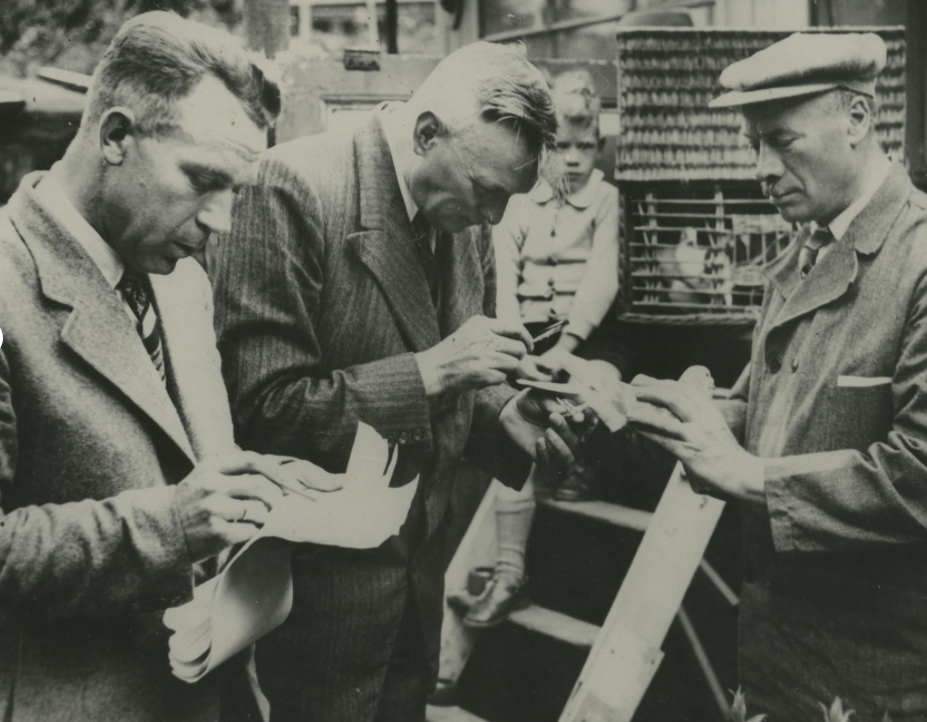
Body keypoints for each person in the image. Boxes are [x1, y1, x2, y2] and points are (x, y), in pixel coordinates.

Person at [212, 40, 588, 722]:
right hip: (311, 607)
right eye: (486, 192)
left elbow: (457, 388)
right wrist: (436, 370)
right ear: (425, 134)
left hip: (415, 586)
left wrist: (508, 414)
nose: (495, 219)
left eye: (509, 198)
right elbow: (263, 410)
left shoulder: (463, 212)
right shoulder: (291, 187)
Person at [0, 12, 338, 722]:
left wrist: (257, 487)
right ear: (115, 136)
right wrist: (174, 524)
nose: (220, 221)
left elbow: (177, 458)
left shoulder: (179, 280)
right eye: (202, 179)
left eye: (235, 191)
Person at [608, 32, 927, 721]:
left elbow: (920, 472)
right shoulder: (802, 254)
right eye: (752, 143)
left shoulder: (919, 262)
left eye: (781, 141)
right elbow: (769, 413)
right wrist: (673, 415)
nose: (759, 167)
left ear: (857, 120)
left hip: (878, 683)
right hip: (776, 662)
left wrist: (746, 476)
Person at [462, 73, 624, 628]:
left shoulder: (607, 200)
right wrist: (513, 344)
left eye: (585, 147)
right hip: (528, 333)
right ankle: (509, 570)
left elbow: (603, 278)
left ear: (599, 145)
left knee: (594, 381)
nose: (573, 160)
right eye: (561, 147)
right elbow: (500, 273)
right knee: (515, 429)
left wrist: (571, 343)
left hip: (586, 332)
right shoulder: (521, 202)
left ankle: (583, 461)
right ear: (542, 146)